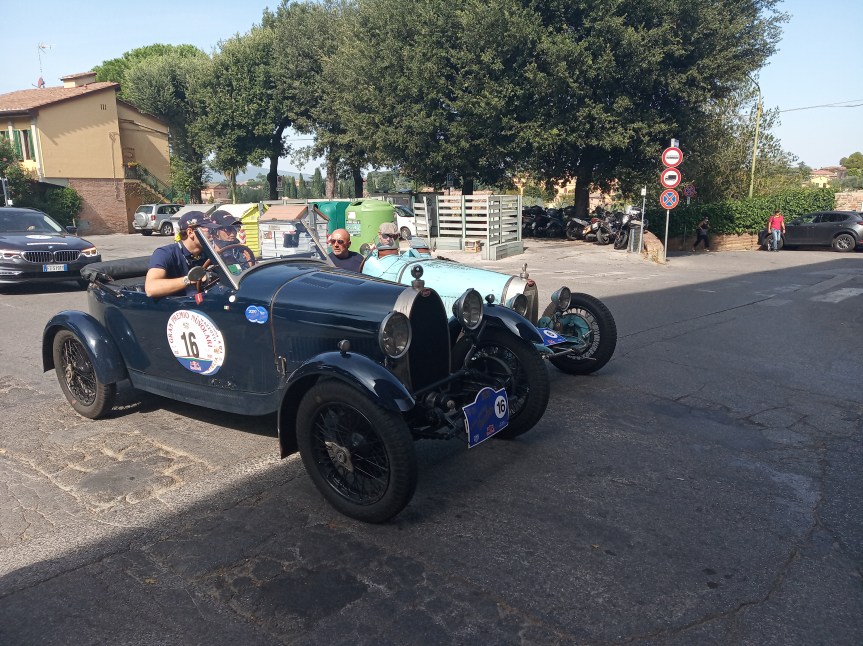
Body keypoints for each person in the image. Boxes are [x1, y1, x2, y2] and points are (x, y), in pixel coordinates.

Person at [145, 211, 218, 297]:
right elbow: (151, 288)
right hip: (179, 303)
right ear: (190, 232)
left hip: (206, 301)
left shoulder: (207, 253)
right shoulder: (164, 253)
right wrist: (193, 279)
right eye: (209, 230)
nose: (213, 235)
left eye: (214, 230)